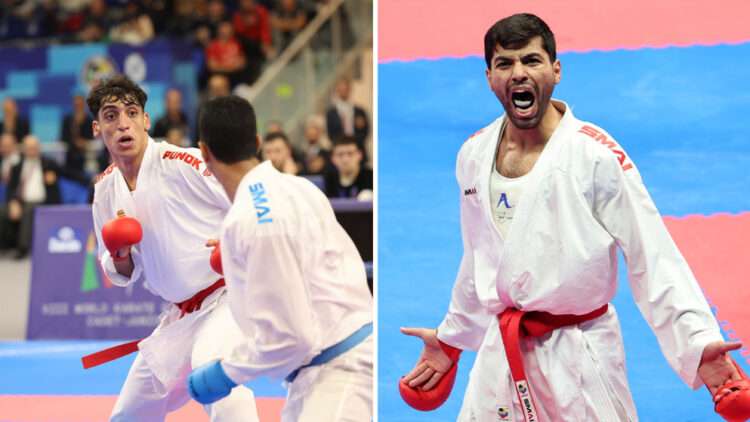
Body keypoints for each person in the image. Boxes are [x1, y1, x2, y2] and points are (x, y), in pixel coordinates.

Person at [399, 13, 744, 422]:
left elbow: (652, 255)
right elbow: (479, 257)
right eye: (505, 63)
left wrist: (699, 344)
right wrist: (452, 339)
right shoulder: (473, 154)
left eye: (531, 60)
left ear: (556, 70)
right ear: (489, 77)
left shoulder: (595, 155)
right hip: (501, 353)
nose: (518, 73)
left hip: (581, 354)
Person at [187, 94, 373, 421]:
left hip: (339, 372)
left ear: (204, 152)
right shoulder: (300, 188)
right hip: (330, 365)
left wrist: (226, 372)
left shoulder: (251, 220)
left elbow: (291, 338)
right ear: (257, 142)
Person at [85, 75, 259, 421]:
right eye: (111, 116)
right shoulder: (105, 190)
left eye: (131, 113)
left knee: (215, 377)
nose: (123, 124)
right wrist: (120, 255)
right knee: (130, 412)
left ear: (146, 120)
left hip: (225, 298)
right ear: (97, 128)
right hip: (179, 316)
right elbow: (120, 272)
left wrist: (234, 238)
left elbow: (250, 198)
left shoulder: (184, 163)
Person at [2, 135, 61, 259]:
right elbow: (11, 188)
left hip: (43, 201)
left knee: (28, 210)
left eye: (34, 147)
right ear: (23, 149)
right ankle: (5, 246)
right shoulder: (17, 166)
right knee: (3, 211)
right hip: (20, 200)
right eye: (29, 148)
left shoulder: (48, 163)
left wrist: (89, 179)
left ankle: (23, 248)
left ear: (39, 148)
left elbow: (69, 173)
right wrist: (13, 202)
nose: (32, 150)